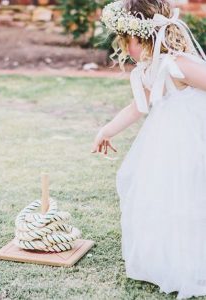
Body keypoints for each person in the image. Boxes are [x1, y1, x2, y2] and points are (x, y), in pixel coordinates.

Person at [91, 0, 206, 299]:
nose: (124, 46)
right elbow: (136, 108)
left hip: (193, 136)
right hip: (163, 144)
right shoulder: (146, 71)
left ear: (142, 36)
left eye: (127, 39)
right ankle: (169, 260)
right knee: (165, 197)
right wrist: (106, 130)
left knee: (193, 194)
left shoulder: (176, 63)